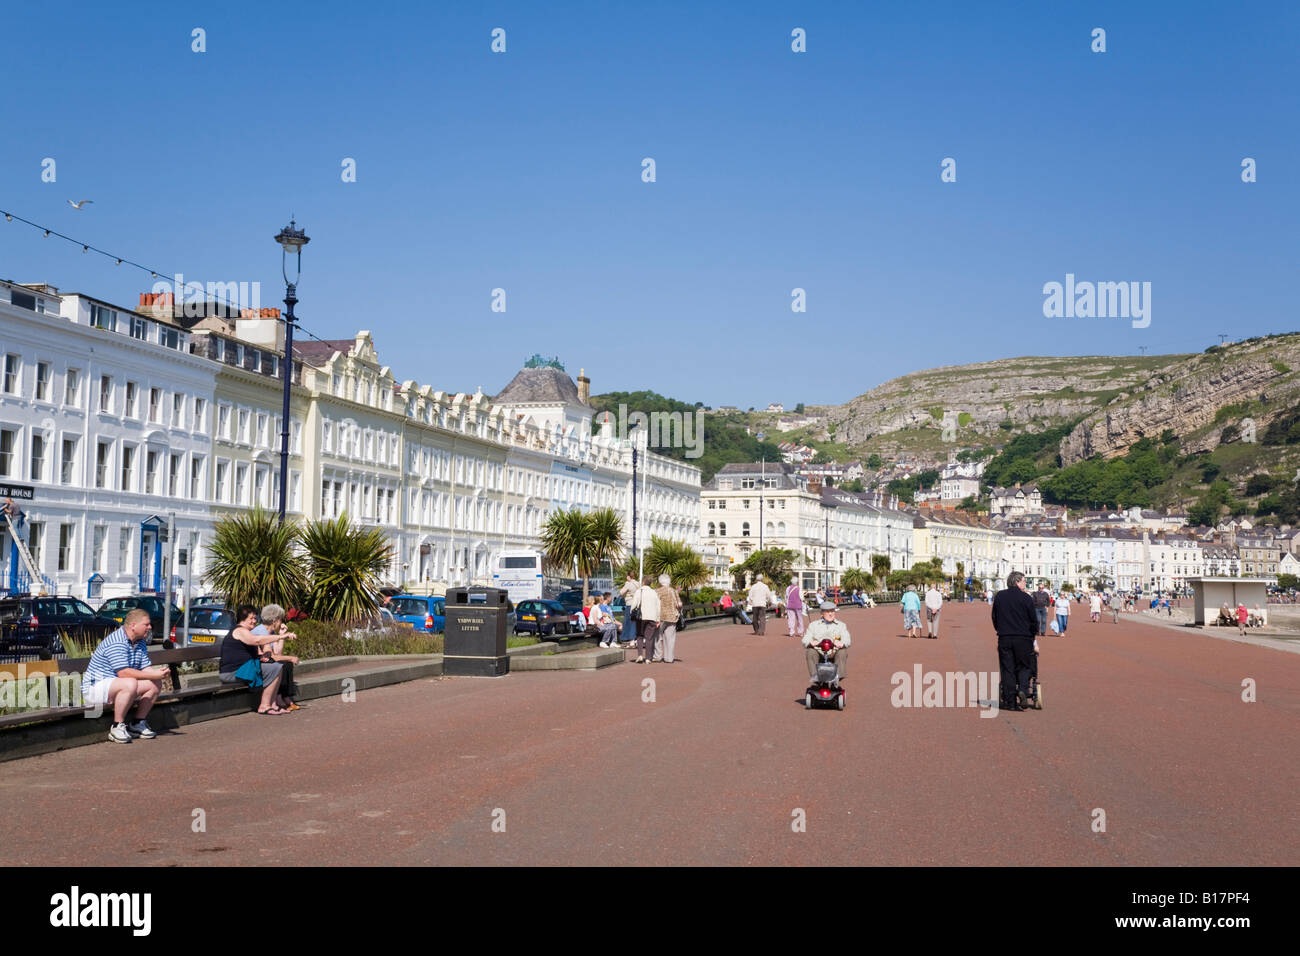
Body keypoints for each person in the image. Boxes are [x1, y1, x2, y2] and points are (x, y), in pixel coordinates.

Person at [82, 608, 168, 743]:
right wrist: (153, 674)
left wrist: (159, 674)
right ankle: (117, 727)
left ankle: (137, 723)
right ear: (133, 625)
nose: (150, 627)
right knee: (130, 682)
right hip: (95, 688)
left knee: (154, 683)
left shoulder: (140, 641)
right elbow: (123, 673)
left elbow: (146, 668)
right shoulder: (117, 641)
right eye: (146, 624)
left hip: (116, 685)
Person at [219, 604, 295, 715]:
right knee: (275, 667)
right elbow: (256, 640)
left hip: (243, 670)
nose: (254, 621)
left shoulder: (246, 631)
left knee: (277, 666)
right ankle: (264, 705)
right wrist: (281, 637)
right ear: (243, 619)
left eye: (255, 618)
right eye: (251, 618)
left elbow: (254, 651)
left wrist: (261, 657)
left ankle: (271, 704)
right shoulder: (240, 631)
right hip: (232, 673)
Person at [992, 571, 1038, 711]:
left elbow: (994, 616)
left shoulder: (1000, 596)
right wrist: (1032, 635)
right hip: (1023, 638)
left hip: (1005, 637)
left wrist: (1000, 629)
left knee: (1008, 669)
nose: (1025, 584)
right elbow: (1033, 621)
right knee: (1024, 666)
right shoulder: (1026, 598)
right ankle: (1023, 690)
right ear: (1017, 581)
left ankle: (1010, 701)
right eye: (1024, 581)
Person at [256, 603, 302, 711]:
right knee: (283, 664)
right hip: (258, 664)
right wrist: (291, 657)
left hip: (266, 662)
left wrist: (281, 635)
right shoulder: (261, 631)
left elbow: (277, 653)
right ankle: (280, 698)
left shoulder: (270, 632)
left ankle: (284, 697)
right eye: (280, 619)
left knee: (286, 664)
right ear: (274, 620)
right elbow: (273, 657)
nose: (281, 622)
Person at [802, 601, 850, 682]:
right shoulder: (813, 625)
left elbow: (847, 639)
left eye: (832, 611)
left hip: (834, 651)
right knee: (810, 651)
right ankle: (815, 676)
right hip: (819, 652)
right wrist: (811, 643)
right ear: (821, 613)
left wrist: (842, 643)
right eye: (827, 612)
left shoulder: (841, 625)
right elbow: (805, 639)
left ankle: (837, 676)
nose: (830, 614)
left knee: (842, 651)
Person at [630, 576, 661, 664]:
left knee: (640, 636)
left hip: (641, 617)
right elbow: (658, 606)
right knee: (649, 638)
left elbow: (634, 604)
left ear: (643, 582)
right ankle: (648, 658)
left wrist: (631, 613)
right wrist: (658, 619)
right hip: (652, 617)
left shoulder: (639, 591)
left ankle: (640, 655)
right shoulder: (654, 592)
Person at [652, 574, 682, 662]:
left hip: (660, 617)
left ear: (660, 582)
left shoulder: (657, 591)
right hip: (672, 617)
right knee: (670, 639)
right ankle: (669, 658)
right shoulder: (674, 591)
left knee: (657, 637)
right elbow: (679, 604)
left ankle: (657, 656)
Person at [618, 573, 640, 646]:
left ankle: (630, 638)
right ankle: (635, 638)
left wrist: (626, 585)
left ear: (628, 577)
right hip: (637, 605)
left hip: (630, 604)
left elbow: (621, 593)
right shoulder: (638, 584)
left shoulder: (628, 584)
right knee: (635, 621)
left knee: (629, 621)